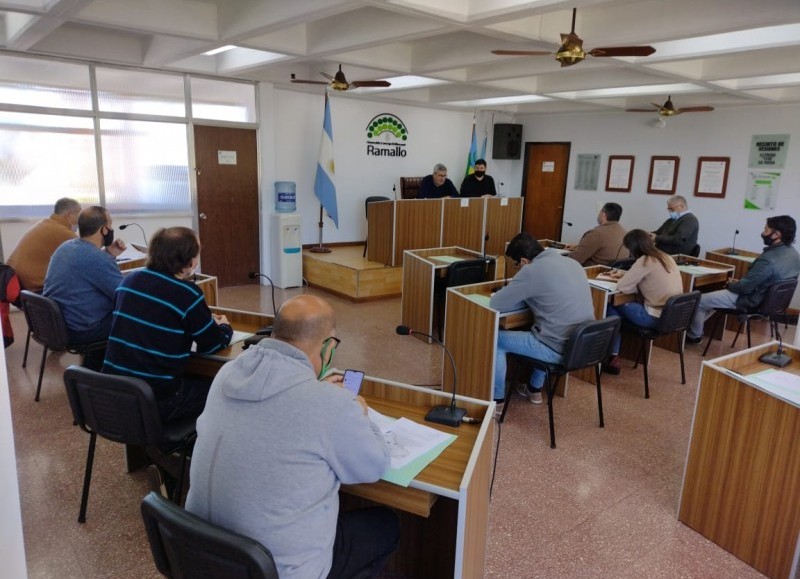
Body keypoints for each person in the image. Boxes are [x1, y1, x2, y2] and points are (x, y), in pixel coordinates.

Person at [185, 295, 399, 579]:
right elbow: (374, 465)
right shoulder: (330, 405)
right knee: (385, 525)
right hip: (277, 571)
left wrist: (315, 390)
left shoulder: (227, 374)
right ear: (328, 347)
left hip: (202, 554)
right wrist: (358, 411)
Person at [102, 227, 232, 425]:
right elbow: (212, 345)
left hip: (114, 393)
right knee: (223, 390)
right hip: (156, 400)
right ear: (190, 262)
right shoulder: (187, 293)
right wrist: (224, 328)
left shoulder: (128, 281)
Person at [490, 233, 594, 403]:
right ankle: (534, 390)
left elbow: (496, 303)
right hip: (582, 345)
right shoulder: (572, 263)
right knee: (541, 329)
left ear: (523, 261)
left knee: (496, 340)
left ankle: (497, 400)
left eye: (517, 265)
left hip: (557, 349)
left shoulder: (532, 270)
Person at [687, 216, 800, 343]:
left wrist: (730, 285)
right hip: (770, 302)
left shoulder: (768, 260)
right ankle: (693, 326)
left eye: (766, 230)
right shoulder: (794, 255)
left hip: (751, 300)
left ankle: (694, 336)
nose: (763, 233)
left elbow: (745, 288)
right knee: (713, 298)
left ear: (776, 235)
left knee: (699, 301)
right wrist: (740, 283)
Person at [43, 205, 125, 350]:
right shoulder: (98, 259)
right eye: (110, 225)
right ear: (104, 230)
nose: (111, 229)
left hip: (56, 325)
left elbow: (87, 271)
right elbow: (124, 295)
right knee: (136, 316)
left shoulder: (65, 247)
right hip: (81, 329)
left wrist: (109, 254)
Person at [602, 229, 684, 373]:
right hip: (671, 317)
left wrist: (625, 279)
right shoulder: (665, 256)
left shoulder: (644, 260)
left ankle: (612, 357)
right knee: (618, 307)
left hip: (652, 318)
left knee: (610, 306)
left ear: (633, 248)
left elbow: (623, 287)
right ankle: (614, 356)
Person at [7, 197, 81, 293]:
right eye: (79, 215)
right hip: (32, 286)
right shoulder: (63, 232)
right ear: (69, 215)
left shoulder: (45, 223)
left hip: (14, 281)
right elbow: (88, 253)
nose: (80, 219)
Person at [566, 202, 627, 266]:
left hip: (591, 272)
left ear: (603, 214)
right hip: (613, 272)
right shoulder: (625, 233)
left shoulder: (596, 233)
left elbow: (575, 259)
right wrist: (577, 247)